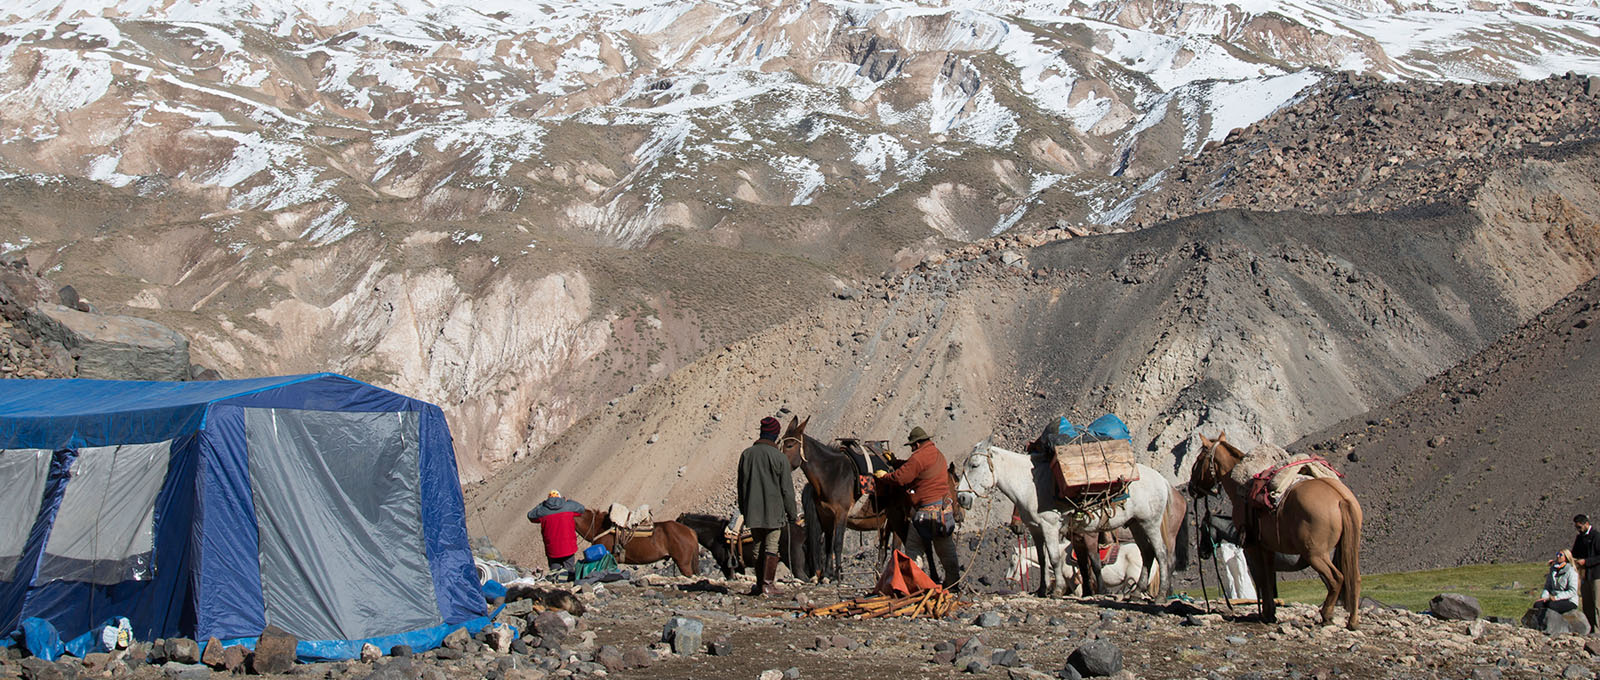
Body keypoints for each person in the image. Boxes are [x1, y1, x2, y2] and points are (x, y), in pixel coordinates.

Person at [875, 426, 960, 588]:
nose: (912, 449)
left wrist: (884, 476)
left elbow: (901, 478)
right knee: (947, 552)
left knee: (913, 549)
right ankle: (953, 585)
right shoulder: (938, 455)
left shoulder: (919, 457)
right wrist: (896, 462)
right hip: (944, 513)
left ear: (918, 444)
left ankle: (915, 586)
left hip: (925, 514)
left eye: (913, 445)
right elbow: (914, 467)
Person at [738, 416, 797, 596]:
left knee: (757, 546)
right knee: (772, 547)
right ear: (775, 435)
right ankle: (768, 585)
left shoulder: (747, 455)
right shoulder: (779, 457)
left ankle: (757, 584)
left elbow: (741, 486)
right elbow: (787, 490)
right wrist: (792, 514)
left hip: (753, 512)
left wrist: (744, 509)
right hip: (774, 512)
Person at [527, 490, 586, 574]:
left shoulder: (543, 510)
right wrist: (568, 501)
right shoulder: (568, 506)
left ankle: (555, 584)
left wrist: (541, 505)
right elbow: (581, 509)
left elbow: (530, 515)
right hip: (568, 547)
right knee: (569, 573)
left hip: (552, 550)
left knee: (555, 574)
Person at [1533, 549, 1581, 629]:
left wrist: (1556, 597)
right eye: (1557, 554)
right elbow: (1547, 586)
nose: (1557, 556)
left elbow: (1572, 591)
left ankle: (1553, 627)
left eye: (1560, 555)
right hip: (1553, 599)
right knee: (1538, 605)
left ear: (1566, 557)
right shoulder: (1553, 570)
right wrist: (1544, 597)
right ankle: (1539, 626)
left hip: (1569, 600)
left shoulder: (1571, 571)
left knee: (1551, 606)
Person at [1573, 514, 1600, 628]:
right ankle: (1589, 628)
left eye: (1579, 527)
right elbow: (1574, 552)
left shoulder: (1597, 536)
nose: (1578, 530)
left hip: (1596, 574)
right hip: (1584, 575)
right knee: (1587, 603)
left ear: (1586, 524)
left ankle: (1598, 630)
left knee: (1597, 603)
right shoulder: (1579, 538)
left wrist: (1587, 562)